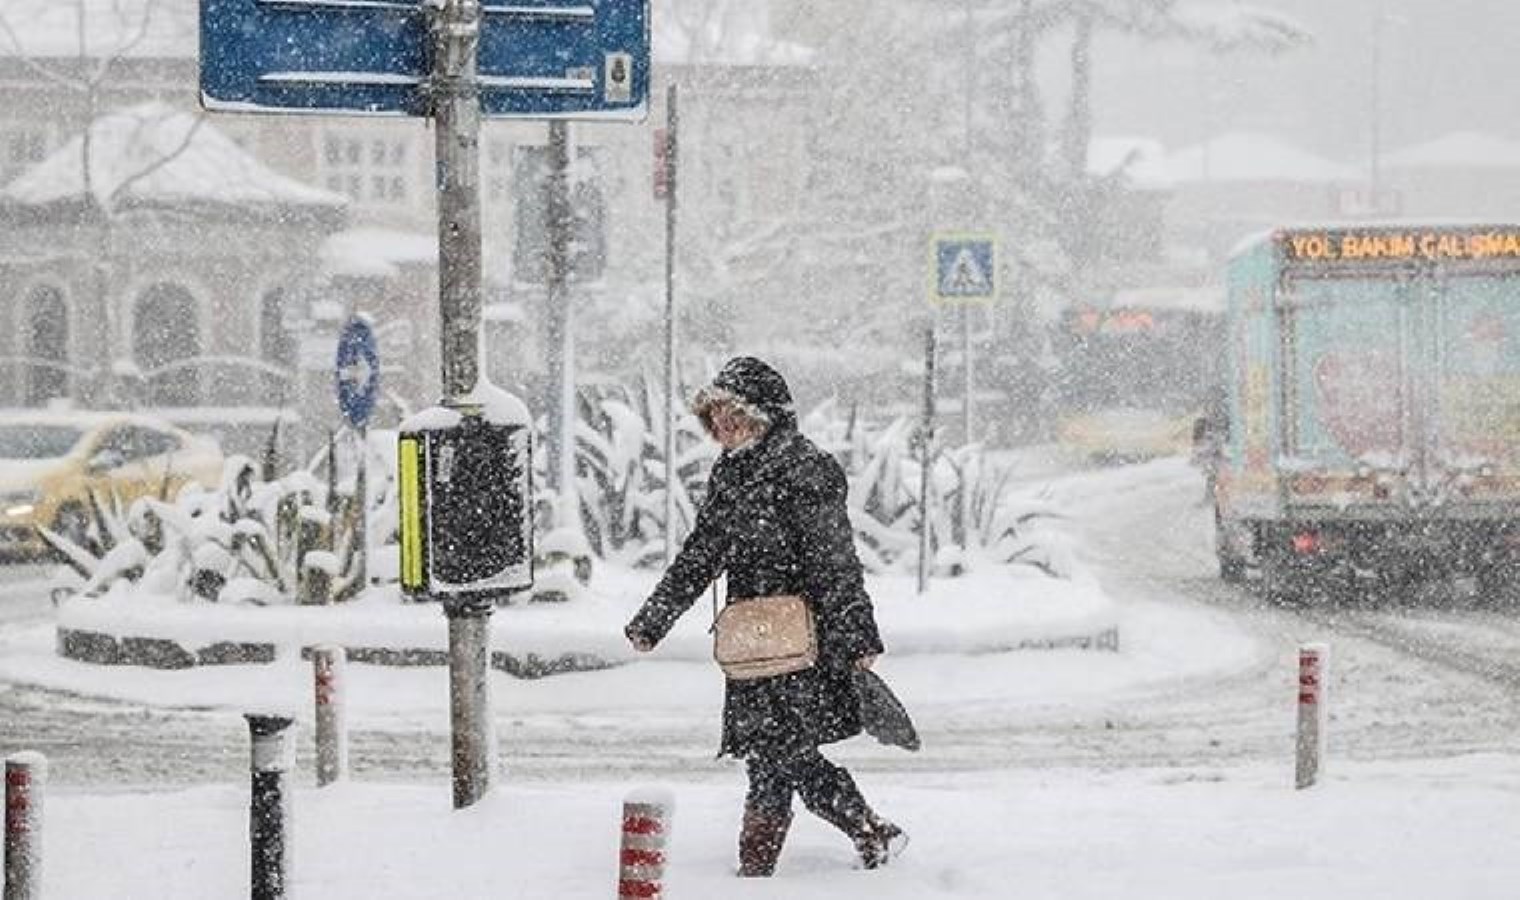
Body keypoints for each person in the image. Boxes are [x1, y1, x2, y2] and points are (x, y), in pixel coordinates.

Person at [624, 356, 906, 877]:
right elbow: (701, 553)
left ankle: (784, 857)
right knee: (769, 753)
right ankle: (833, 842)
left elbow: (834, 559)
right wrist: (653, 619)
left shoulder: (806, 469)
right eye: (716, 417)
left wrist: (856, 633)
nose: (723, 427)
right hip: (752, 640)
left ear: (764, 415)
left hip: (804, 638)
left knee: (783, 750)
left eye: (734, 415)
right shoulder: (730, 473)